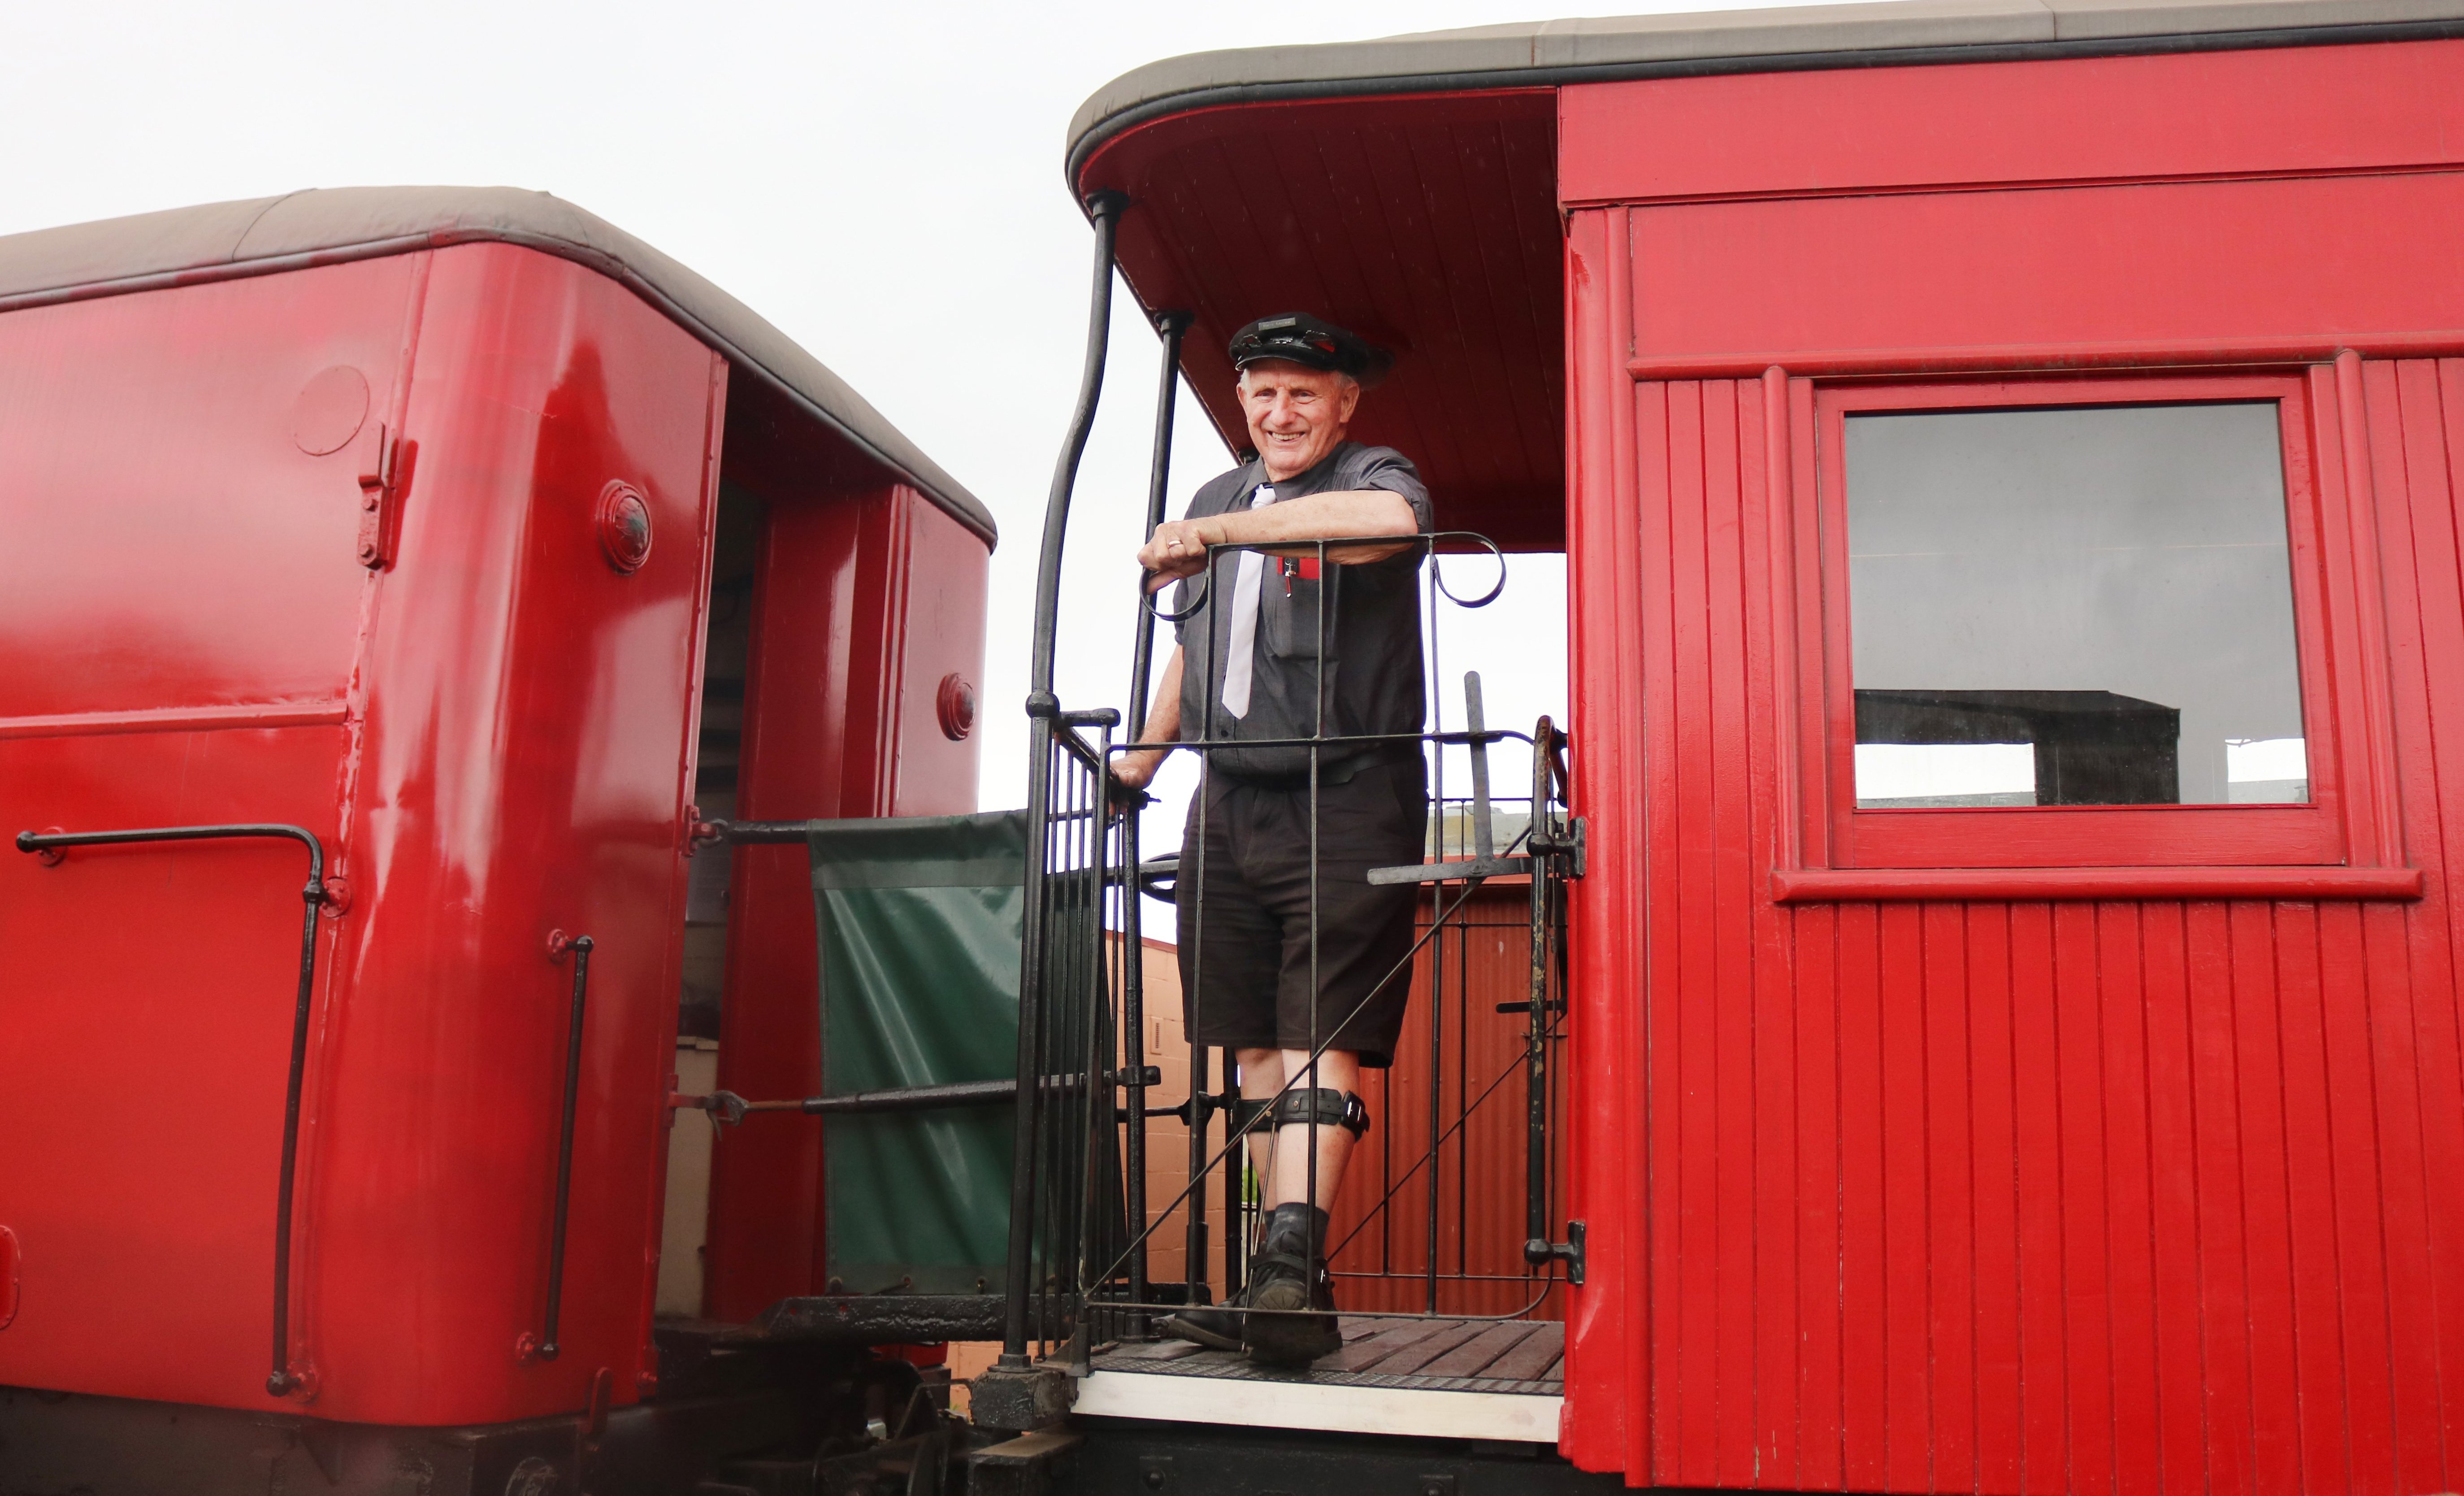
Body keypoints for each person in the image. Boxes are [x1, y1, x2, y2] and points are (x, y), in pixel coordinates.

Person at [1110, 313, 1429, 1366]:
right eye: (1262, 395)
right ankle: (1285, 1287)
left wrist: (1224, 534)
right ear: (1241, 406)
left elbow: (1392, 521)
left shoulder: (1372, 472)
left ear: (1344, 403)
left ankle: (1288, 1265)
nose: (1281, 413)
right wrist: (1143, 764)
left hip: (1344, 791)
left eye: (1303, 393)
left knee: (1320, 1030)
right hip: (1230, 801)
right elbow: (1195, 654)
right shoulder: (1216, 497)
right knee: (1252, 1038)